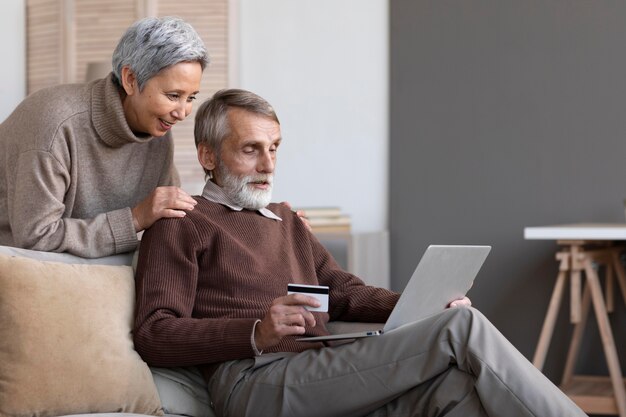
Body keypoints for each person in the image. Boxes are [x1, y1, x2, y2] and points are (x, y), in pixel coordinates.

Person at [133, 89, 587, 417]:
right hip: (251, 382)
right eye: (251, 150)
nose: (269, 164)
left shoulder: (286, 221)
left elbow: (343, 291)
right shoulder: (183, 222)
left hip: (316, 368)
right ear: (208, 155)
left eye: (274, 149)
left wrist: (422, 306)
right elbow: (154, 333)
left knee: (454, 391)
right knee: (461, 326)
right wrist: (255, 331)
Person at [0, 16, 207, 258]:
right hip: (20, 270)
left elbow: (166, 215)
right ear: (130, 80)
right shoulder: (54, 124)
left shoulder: (157, 132)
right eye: (173, 95)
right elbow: (36, 236)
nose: (182, 113)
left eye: (191, 98)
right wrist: (135, 219)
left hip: (98, 271)